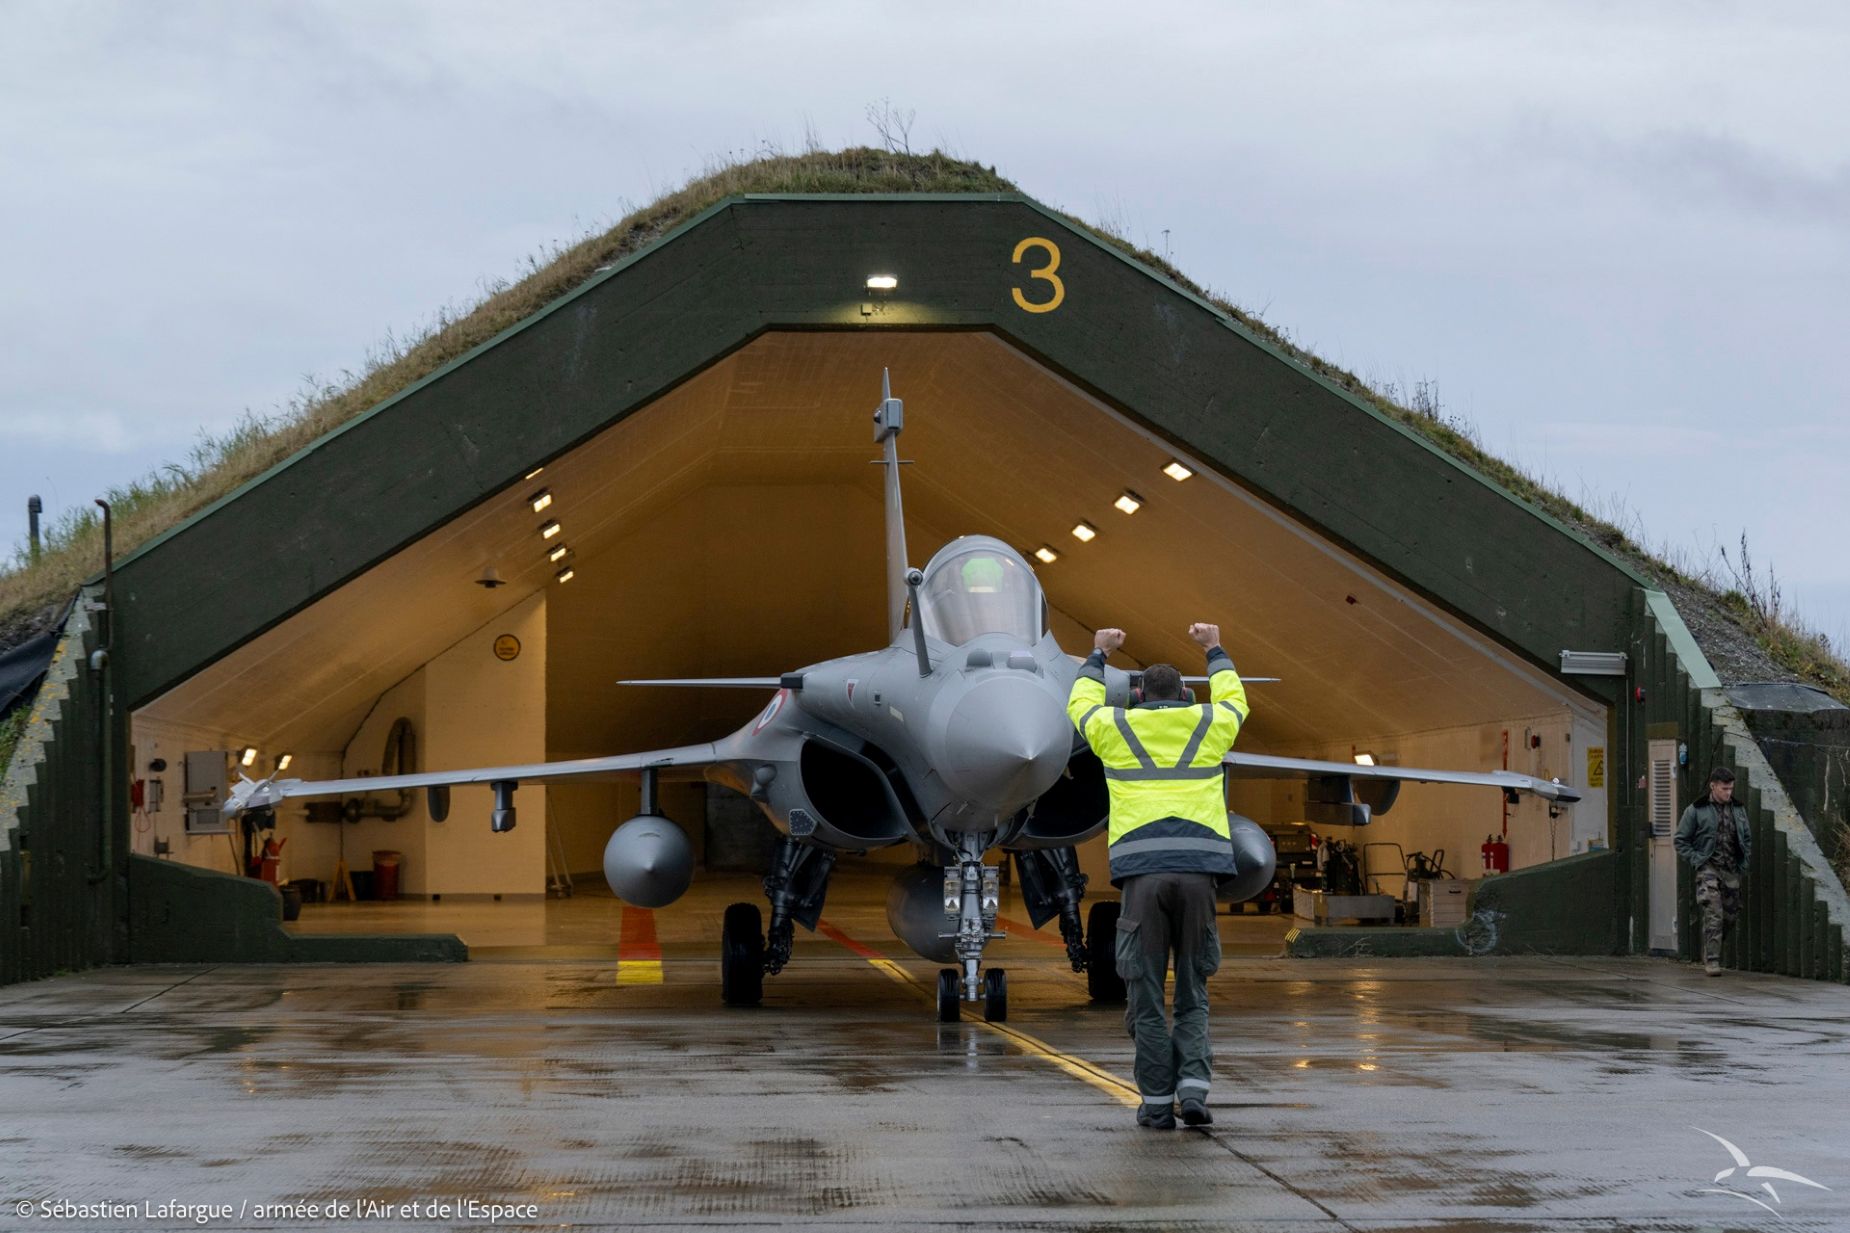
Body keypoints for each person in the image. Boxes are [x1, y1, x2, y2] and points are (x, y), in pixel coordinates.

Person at [1066, 622, 1248, 1129]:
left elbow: (1079, 705)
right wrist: (1214, 647)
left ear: (1138, 696)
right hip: (1199, 876)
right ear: (1186, 695)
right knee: (1193, 990)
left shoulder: (1116, 728)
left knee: (1144, 995)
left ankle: (1156, 1103)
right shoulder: (1208, 723)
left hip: (1143, 878)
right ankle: (1193, 1091)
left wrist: (1099, 655)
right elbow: (1235, 700)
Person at [1674, 767, 1752, 976]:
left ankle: (1710, 946)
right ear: (1713, 786)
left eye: (1731, 788)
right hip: (1708, 867)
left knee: (1730, 916)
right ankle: (1712, 960)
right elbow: (1680, 840)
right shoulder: (1696, 810)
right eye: (1724, 789)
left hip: (1731, 868)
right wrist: (1697, 860)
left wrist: (1743, 862)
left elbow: (1747, 838)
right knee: (1714, 913)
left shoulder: (1738, 809)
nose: (1728, 793)